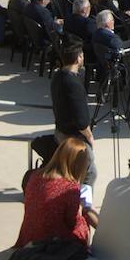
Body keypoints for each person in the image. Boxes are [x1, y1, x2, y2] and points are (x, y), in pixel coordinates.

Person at [16, 135, 97, 247]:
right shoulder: (70, 189)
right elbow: (72, 222)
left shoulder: (34, 175)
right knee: (83, 223)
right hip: (51, 243)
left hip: (28, 236)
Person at [51, 41, 96, 186]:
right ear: (78, 58)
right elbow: (81, 120)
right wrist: (89, 136)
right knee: (89, 173)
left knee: (68, 172)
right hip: (73, 137)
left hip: (60, 131)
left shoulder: (58, 76)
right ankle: (82, 205)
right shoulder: (73, 84)